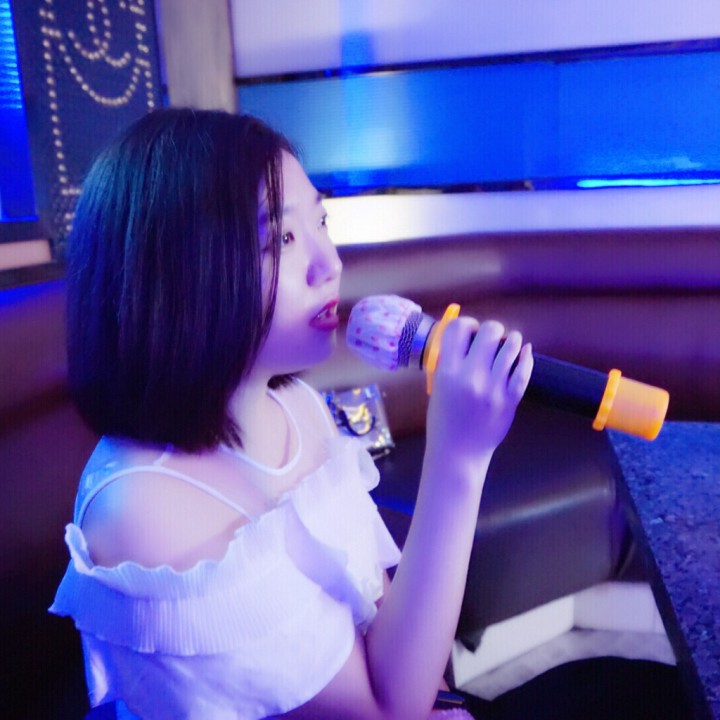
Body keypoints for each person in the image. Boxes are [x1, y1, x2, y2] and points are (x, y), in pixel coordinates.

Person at [51, 108, 533, 720]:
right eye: (280, 238)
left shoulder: (296, 407)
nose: (329, 263)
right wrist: (459, 462)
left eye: (320, 223)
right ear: (176, 273)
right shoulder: (143, 515)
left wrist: (445, 701)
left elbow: (382, 619)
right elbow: (385, 714)